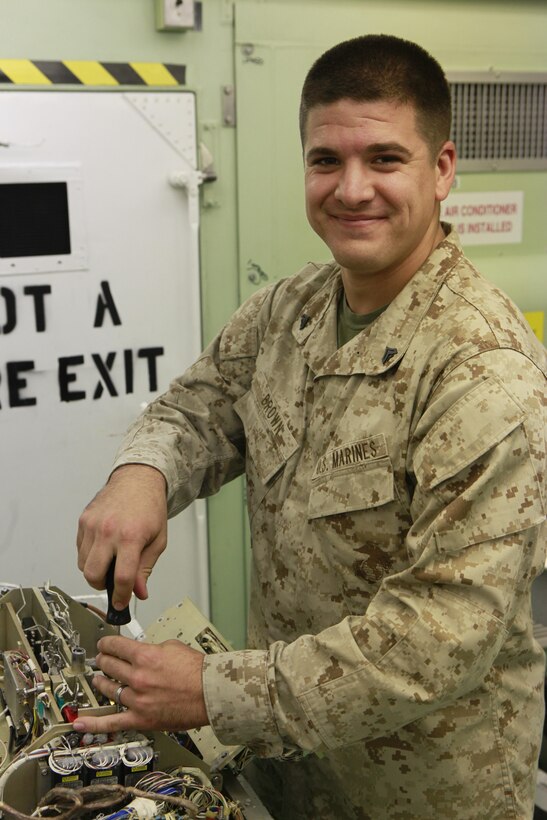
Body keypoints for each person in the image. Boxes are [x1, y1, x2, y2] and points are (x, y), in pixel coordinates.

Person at [74, 34, 546, 819]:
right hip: (292, 770)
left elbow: (436, 640)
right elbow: (198, 407)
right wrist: (141, 477)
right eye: (326, 160)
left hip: (421, 792)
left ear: (443, 169)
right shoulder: (287, 310)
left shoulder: (483, 373)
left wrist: (210, 689)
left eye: (385, 159)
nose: (351, 188)